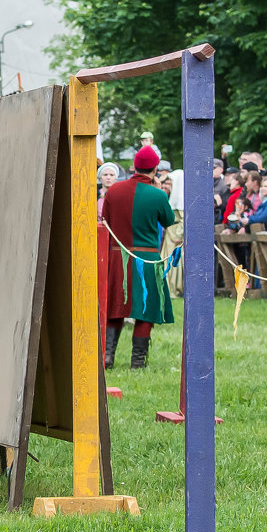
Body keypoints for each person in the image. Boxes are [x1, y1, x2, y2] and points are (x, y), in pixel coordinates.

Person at [101, 145, 174, 369]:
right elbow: (169, 220)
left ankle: (108, 356)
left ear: (134, 166)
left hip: (118, 256)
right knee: (146, 307)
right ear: (154, 169)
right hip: (147, 259)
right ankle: (137, 361)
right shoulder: (159, 195)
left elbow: (106, 220)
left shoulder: (113, 191)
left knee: (115, 306)